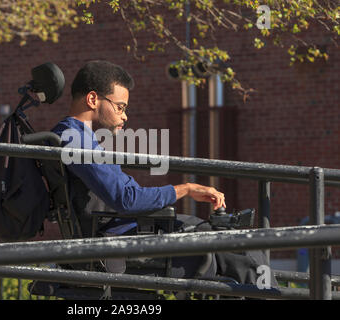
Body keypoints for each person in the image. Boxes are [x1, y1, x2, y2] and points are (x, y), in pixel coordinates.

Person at [51, 60, 276, 287]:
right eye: (120, 107)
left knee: (236, 248)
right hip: (127, 237)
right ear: (92, 99)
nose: (125, 116)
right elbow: (127, 199)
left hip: (130, 231)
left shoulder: (73, 136)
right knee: (240, 248)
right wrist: (186, 189)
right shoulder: (76, 139)